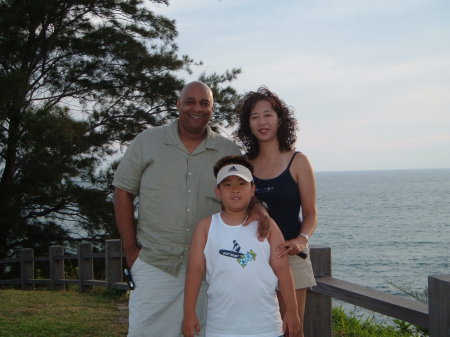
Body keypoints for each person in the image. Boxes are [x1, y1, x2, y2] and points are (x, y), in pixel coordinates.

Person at [112, 81, 268, 337]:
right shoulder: (147, 141)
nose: (197, 108)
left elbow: (245, 192)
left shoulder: (227, 150)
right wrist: (131, 252)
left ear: (212, 108)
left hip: (211, 268)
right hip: (155, 264)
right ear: (178, 105)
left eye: (205, 103)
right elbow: (122, 192)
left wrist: (259, 207)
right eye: (190, 102)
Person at [182, 156, 300, 337]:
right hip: (221, 328)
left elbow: (282, 268)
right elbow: (195, 270)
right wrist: (189, 313)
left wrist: (292, 311)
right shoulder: (205, 227)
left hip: (266, 326)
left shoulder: (267, 226)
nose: (235, 189)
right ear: (218, 191)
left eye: (241, 183)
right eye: (227, 184)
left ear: (252, 189)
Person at [236, 87, 318, 337]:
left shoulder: (298, 161)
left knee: (291, 329)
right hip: (254, 258)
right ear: (247, 124)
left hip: (291, 258)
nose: (262, 121)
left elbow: (311, 213)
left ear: (280, 119)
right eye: (255, 116)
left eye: (268, 114)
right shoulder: (243, 166)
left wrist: (301, 240)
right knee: (254, 329)